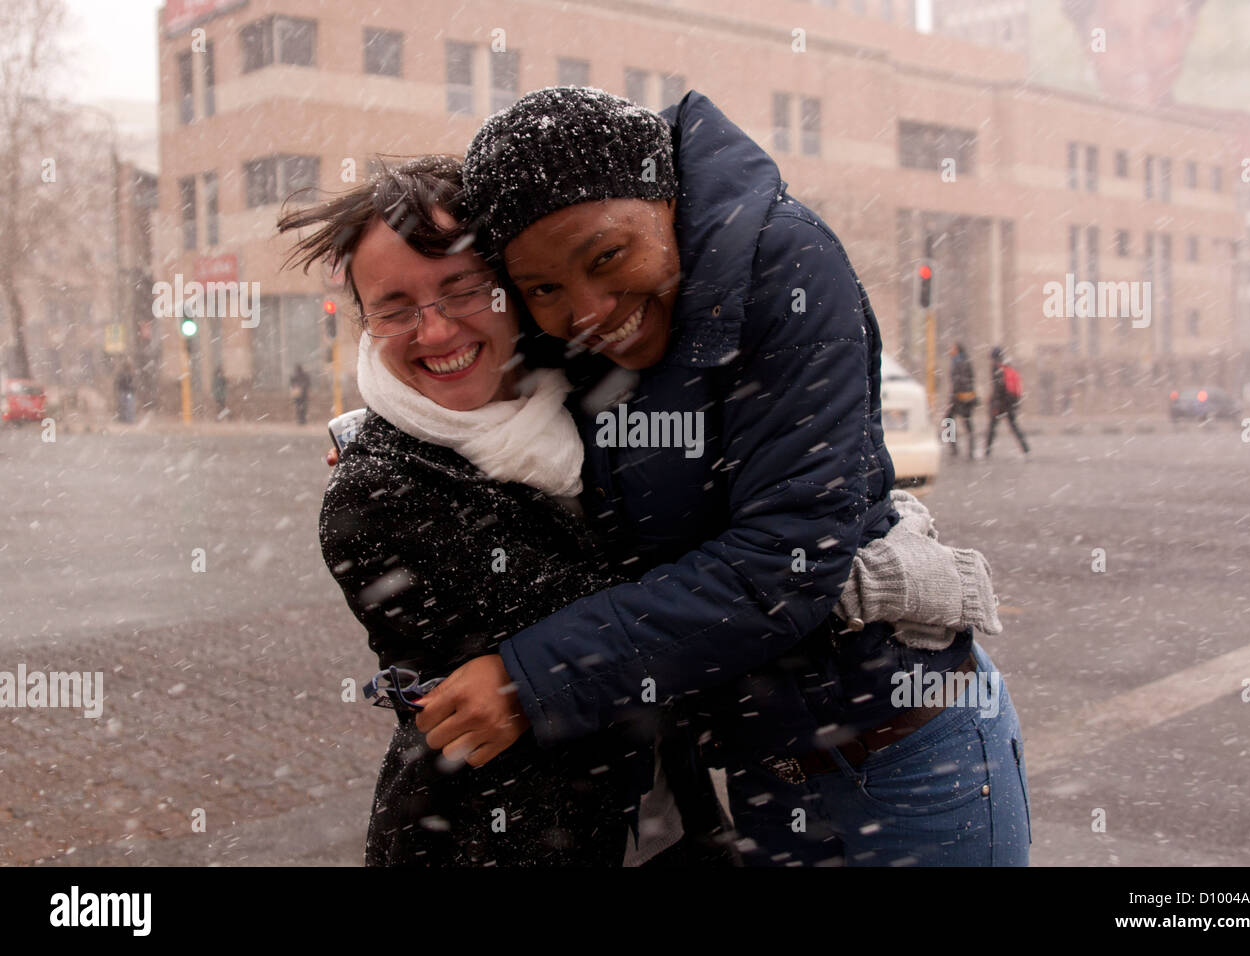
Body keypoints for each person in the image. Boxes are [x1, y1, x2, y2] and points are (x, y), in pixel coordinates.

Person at [423, 87, 1030, 866]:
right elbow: (448, 345)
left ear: (666, 198)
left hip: (909, 761)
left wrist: (529, 680)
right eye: (544, 288)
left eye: (608, 257)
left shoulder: (786, 262)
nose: (588, 309)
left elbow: (784, 563)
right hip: (763, 776)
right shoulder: (581, 340)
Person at [280, 157, 642, 866]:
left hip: (664, 827)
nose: (437, 331)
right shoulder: (375, 490)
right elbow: (629, 640)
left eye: (461, 289)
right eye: (394, 307)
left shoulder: (593, 398)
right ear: (363, 322)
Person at [985, 346, 1030, 457]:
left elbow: (998, 388)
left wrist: (995, 404)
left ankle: (987, 451)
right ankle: (1026, 449)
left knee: (992, 428)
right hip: (1009, 403)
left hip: (1001, 404)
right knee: (1014, 427)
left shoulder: (996, 367)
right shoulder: (1007, 366)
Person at [945, 342, 978, 459]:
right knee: (966, 423)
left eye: (952, 348)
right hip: (966, 397)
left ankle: (954, 448)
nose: (950, 350)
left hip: (959, 398)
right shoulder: (964, 360)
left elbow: (958, 381)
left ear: (957, 350)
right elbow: (970, 379)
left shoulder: (958, 362)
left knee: (948, 420)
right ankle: (969, 449)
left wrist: (953, 398)